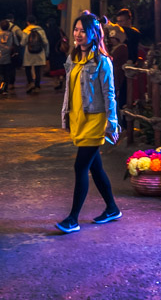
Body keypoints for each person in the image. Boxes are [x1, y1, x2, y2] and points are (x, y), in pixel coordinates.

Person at [56, 12, 121, 234]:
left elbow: (109, 94)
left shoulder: (103, 61)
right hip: (79, 119)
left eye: (83, 30)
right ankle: (112, 208)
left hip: (95, 121)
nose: (78, 34)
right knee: (96, 166)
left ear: (94, 34)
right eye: (76, 30)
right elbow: (69, 90)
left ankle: (73, 219)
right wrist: (65, 115)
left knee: (80, 166)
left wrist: (112, 124)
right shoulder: (73, 58)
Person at [0, 17, 24, 97]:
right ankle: (4, 89)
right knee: (7, 74)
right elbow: (16, 43)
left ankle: (2, 85)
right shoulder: (11, 34)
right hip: (9, 56)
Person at [21, 15, 48, 93]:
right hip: (39, 52)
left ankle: (30, 82)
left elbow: (23, 43)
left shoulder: (26, 31)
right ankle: (37, 86)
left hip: (29, 53)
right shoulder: (41, 30)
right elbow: (45, 42)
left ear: (27, 22)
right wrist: (46, 52)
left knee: (28, 68)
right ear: (35, 22)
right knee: (37, 69)